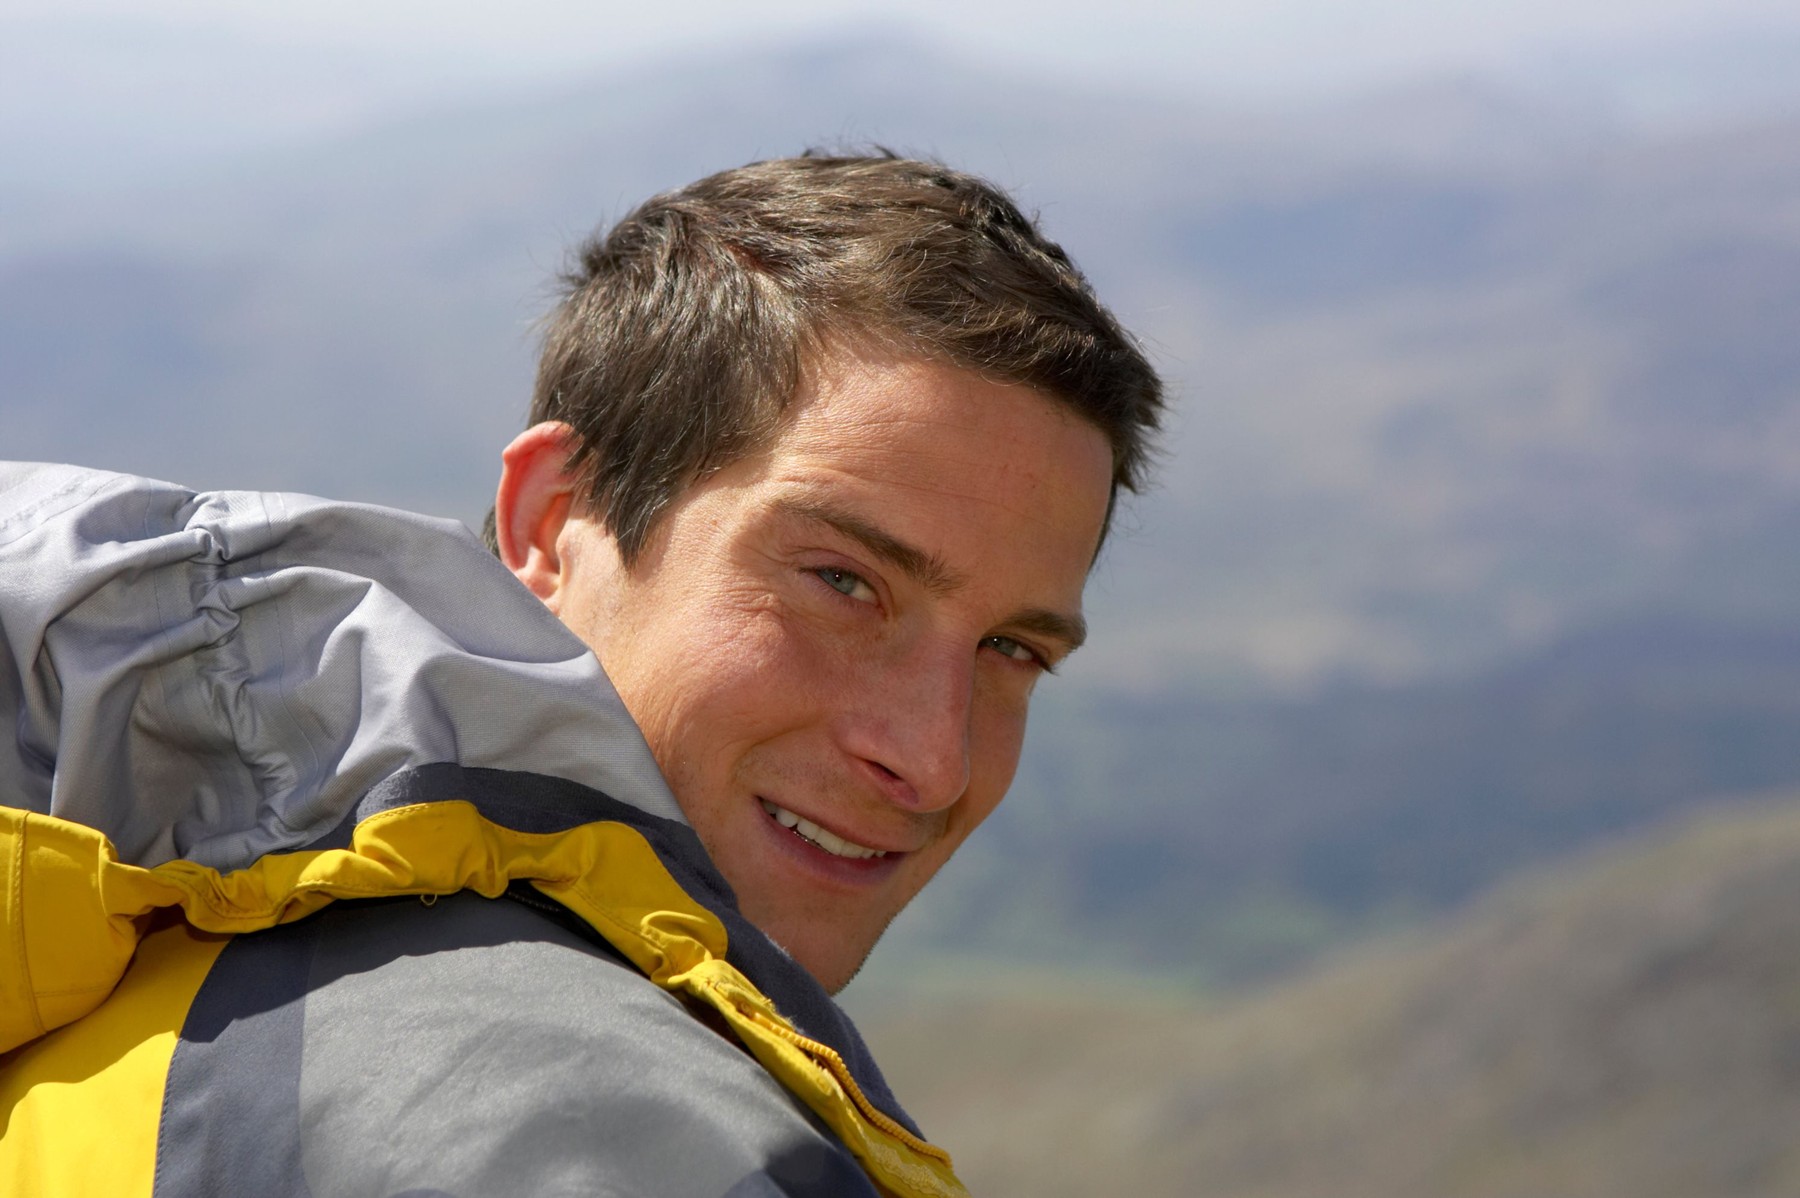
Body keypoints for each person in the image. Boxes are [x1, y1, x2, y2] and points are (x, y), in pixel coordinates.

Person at [0, 153, 1161, 1196]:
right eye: (843, 582)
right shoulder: (619, 1137)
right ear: (554, 521)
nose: (932, 757)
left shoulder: (160, 913)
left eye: (1012, 650)